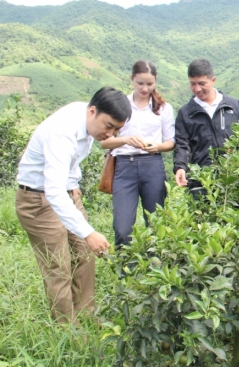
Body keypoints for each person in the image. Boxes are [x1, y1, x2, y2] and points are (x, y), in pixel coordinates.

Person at [15, 87, 131, 325]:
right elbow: (53, 191)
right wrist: (88, 232)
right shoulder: (63, 133)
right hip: (38, 199)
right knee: (58, 264)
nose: (111, 134)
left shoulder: (87, 120)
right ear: (92, 111)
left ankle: (86, 313)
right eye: (109, 126)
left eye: (117, 130)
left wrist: (73, 183)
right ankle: (67, 329)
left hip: (64, 191)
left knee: (84, 254)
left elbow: (72, 161)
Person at [100, 60, 175, 249]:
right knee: (123, 228)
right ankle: (126, 272)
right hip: (124, 167)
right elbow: (104, 142)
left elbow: (171, 142)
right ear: (132, 79)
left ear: (156, 81)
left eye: (150, 84)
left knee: (156, 224)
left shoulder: (163, 108)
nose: (145, 88)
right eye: (140, 83)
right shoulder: (121, 106)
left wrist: (156, 146)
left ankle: (155, 271)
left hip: (152, 166)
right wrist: (125, 140)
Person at [173, 59, 239, 196]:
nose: (197, 89)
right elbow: (182, 144)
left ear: (213, 80)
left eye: (202, 83)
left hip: (232, 179)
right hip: (200, 181)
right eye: (192, 84)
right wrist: (180, 167)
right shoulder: (186, 112)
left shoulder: (234, 106)